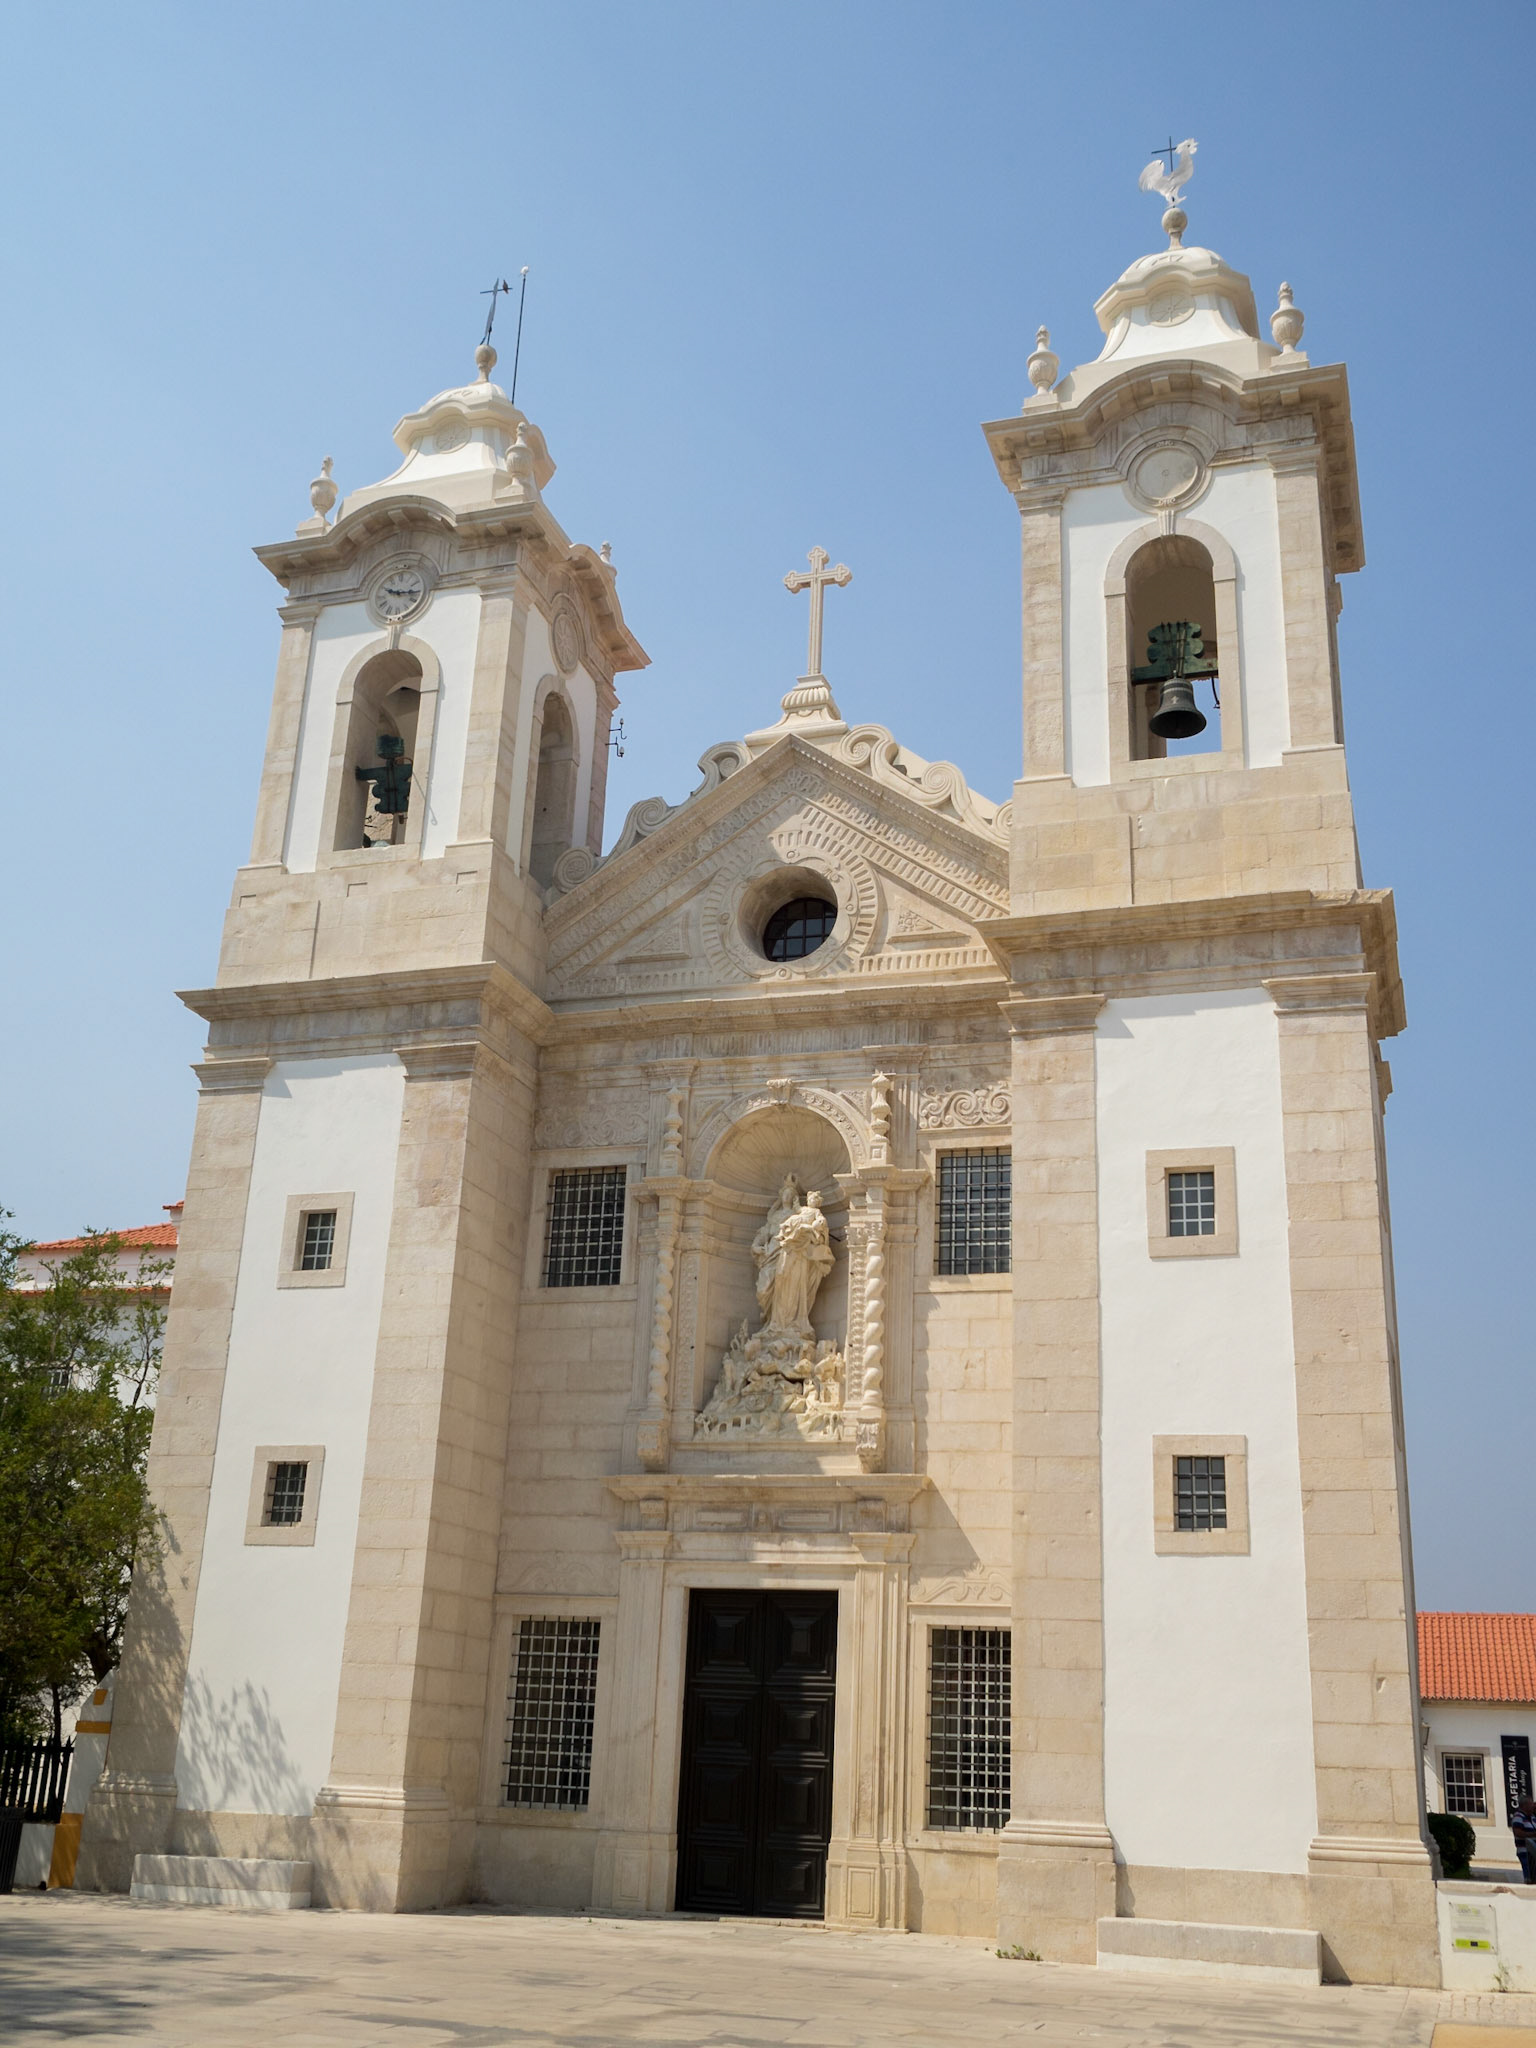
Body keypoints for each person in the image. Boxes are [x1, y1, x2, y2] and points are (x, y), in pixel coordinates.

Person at [1513, 1795, 1536, 1884]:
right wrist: (1533, 1834)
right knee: (1529, 1874)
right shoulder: (1518, 1817)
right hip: (1525, 1852)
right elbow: (1518, 1833)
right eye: (1531, 1804)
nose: (1533, 1806)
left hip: (1533, 1851)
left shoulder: (1532, 1817)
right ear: (1524, 1806)